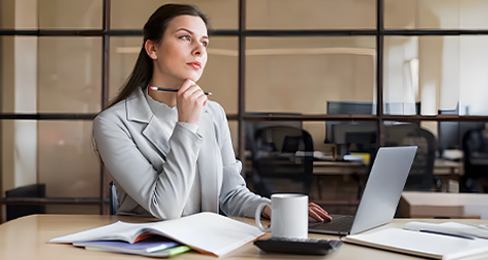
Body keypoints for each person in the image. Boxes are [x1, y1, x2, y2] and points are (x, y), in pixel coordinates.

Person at [93, 4, 331, 221]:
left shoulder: (213, 113)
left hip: (207, 245)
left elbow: (231, 194)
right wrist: (186, 125)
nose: (199, 50)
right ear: (152, 48)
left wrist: (270, 207)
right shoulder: (113, 123)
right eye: (185, 37)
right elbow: (165, 208)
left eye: (204, 42)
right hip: (148, 247)